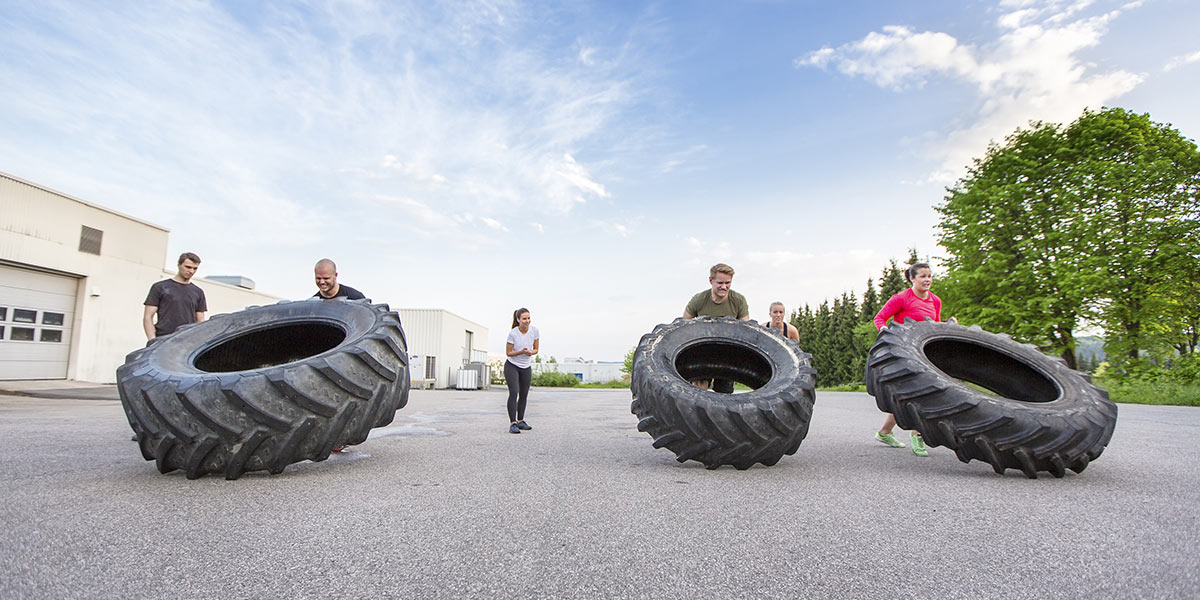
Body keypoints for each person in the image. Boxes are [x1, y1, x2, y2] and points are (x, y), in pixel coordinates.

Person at [871, 262, 953, 457]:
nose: (927, 280)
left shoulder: (935, 300)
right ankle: (918, 435)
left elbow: (935, 326)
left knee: (908, 396)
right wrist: (887, 335)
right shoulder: (901, 298)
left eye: (929, 276)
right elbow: (879, 319)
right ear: (912, 278)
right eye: (923, 276)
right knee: (918, 395)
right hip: (902, 353)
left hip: (924, 355)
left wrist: (950, 326)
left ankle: (884, 432)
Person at [683, 263, 750, 392]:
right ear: (711, 281)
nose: (724, 287)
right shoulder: (699, 300)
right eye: (720, 283)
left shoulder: (738, 300)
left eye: (728, 283)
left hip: (727, 354)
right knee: (699, 389)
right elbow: (683, 326)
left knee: (724, 392)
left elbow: (745, 330)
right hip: (702, 351)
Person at [143, 252, 207, 340]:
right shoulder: (160, 287)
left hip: (187, 341)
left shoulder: (198, 292)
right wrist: (152, 340)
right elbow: (148, 317)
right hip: (163, 339)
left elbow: (200, 321)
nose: (191, 271)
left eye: (195, 268)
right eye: (188, 267)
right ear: (179, 265)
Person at [504, 308, 539, 434]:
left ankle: (521, 421)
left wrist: (531, 352)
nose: (527, 321)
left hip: (526, 366)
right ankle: (513, 423)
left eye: (529, 318)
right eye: (524, 318)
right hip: (512, 365)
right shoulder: (513, 333)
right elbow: (508, 353)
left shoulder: (534, 331)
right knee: (514, 392)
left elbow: (536, 349)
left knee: (524, 394)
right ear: (518, 320)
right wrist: (521, 352)